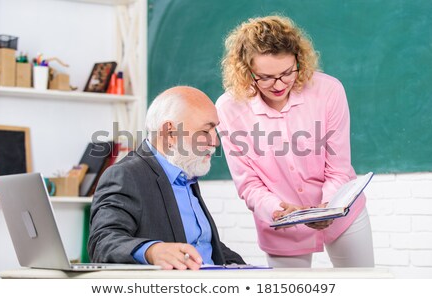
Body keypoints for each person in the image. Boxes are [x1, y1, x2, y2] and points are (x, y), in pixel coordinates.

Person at [216, 15, 374, 268]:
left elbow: (338, 167)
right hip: (281, 222)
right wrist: (277, 209)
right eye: (265, 77)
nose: (279, 85)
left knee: (360, 287)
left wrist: (328, 207)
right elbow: (248, 184)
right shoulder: (229, 108)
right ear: (246, 72)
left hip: (340, 211)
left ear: (299, 61)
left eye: (287, 73)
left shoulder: (328, 91)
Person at [89, 86, 245, 270]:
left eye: (215, 130)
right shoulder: (126, 175)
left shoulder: (185, 174)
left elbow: (203, 246)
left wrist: (248, 270)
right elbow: (102, 242)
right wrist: (153, 251)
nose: (215, 141)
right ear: (170, 133)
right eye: (205, 131)